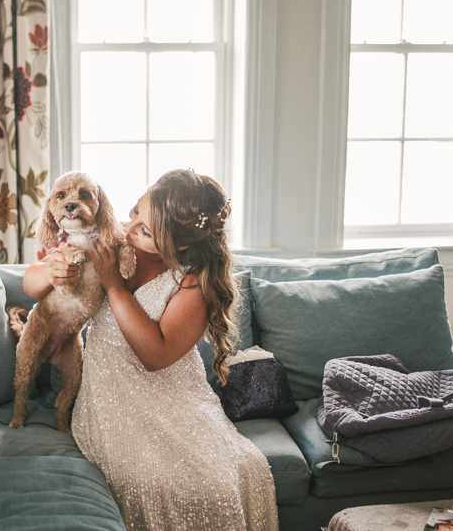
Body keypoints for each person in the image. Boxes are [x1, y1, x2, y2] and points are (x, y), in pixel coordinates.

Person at [23, 169, 278, 531]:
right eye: (134, 211)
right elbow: (31, 283)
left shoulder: (192, 282)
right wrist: (51, 273)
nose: (130, 228)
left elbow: (155, 355)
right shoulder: (114, 246)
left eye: (144, 229)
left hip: (172, 394)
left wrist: (113, 284)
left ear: (180, 245)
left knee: (223, 477)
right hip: (111, 395)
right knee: (147, 478)